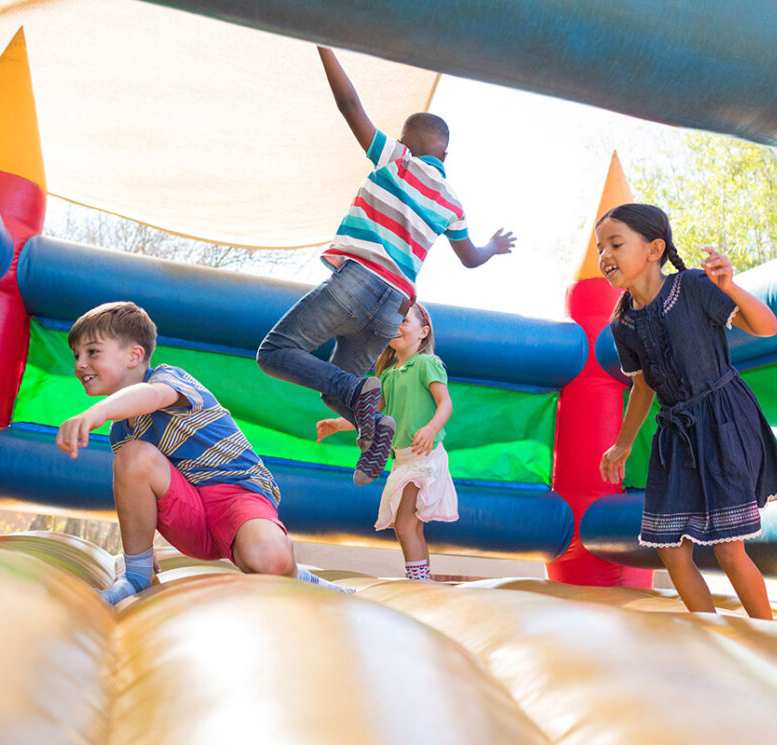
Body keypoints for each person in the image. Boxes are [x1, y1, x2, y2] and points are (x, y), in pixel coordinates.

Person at [257, 46, 514, 487]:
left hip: (358, 282)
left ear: (405, 142)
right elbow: (470, 259)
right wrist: (492, 245)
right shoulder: (452, 203)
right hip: (395, 305)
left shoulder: (397, 159)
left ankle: (362, 404)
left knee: (276, 352)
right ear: (446, 158)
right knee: (339, 387)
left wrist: (323, 44)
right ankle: (376, 431)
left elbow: (349, 105)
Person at [56, 301, 350, 604]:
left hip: (237, 496)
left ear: (134, 355)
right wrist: (142, 549)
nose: (79, 363)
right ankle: (137, 576)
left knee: (268, 560)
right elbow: (143, 491)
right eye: (76, 354)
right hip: (191, 519)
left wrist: (97, 412)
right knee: (133, 457)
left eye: (92, 351)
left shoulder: (169, 379)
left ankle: (297, 574)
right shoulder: (122, 432)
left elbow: (152, 396)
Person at [596, 204, 777, 620]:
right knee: (671, 551)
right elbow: (643, 386)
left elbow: (766, 326)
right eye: (601, 248)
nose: (604, 256)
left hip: (723, 421)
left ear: (654, 249)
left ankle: (772, 638)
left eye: (615, 244)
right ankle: (711, 636)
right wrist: (623, 444)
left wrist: (731, 286)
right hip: (677, 436)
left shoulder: (692, 287)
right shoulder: (623, 324)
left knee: (728, 547)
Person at [316, 304, 457, 581]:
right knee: (409, 526)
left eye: (404, 321)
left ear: (423, 332)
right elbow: (374, 415)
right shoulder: (389, 374)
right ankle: (423, 579)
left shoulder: (427, 363)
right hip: (403, 459)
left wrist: (430, 428)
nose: (398, 327)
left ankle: (418, 581)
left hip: (425, 457)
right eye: (394, 323)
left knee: (405, 524)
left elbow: (446, 404)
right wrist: (337, 424)